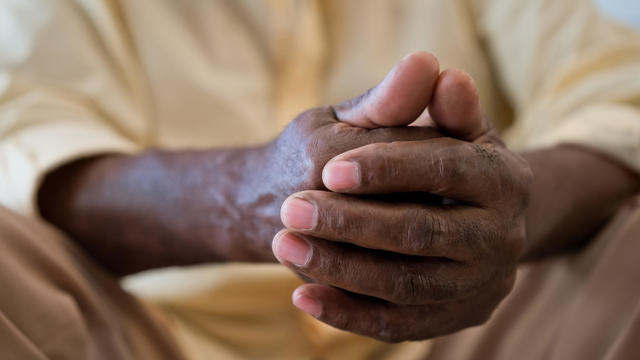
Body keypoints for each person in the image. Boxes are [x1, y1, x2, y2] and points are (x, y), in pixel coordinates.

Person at [1, 0, 639, 359]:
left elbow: (620, 97)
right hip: (152, 335)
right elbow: (21, 141)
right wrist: (246, 197)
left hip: (472, 337)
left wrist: (509, 209)